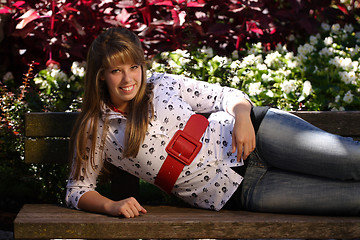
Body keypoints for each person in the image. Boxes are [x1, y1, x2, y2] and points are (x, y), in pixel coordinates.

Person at [66, 27, 360, 218]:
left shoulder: (161, 84)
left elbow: (224, 95)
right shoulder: (96, 129)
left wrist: (243, 116)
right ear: (101, 75)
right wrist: (111, 205)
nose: (129, 79)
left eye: (134, 67)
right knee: (351, 200)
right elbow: (77, 190)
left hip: (260, 136)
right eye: (117, 71)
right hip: (241, 190)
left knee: (352, 160)